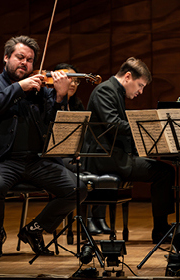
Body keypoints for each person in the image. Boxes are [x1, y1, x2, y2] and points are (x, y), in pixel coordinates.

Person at [0, 35, 87, 258]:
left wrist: (60, 97)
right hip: (2, 162)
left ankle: (35, 229)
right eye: (20, 57)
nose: (25, 63)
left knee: (78, 189)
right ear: (6, 57)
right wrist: (18, 87)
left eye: (30, 60)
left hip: (37, 161)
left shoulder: (42, 90)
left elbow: (55, 126)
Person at [82, 57, 175, 243]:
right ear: (127, 76)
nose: (140, 91)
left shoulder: (113, 91)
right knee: (164, 172)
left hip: (113, 156)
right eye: (140, 85)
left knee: (163, 169)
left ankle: (161, 228)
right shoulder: (105, 91)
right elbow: (113, 124)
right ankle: (160, 230)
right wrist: (146, 127)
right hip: (104, 159)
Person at [54, 62, 111, 235]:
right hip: (55, 158)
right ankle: (87, 220)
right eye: (69, 79)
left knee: (99, 163)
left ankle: (98, 218)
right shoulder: (49, 104)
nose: (72, 84)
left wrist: (80, 152)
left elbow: (84, 136)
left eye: (76, 81)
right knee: (87, 166)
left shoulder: (77, 105)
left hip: (74, 156)